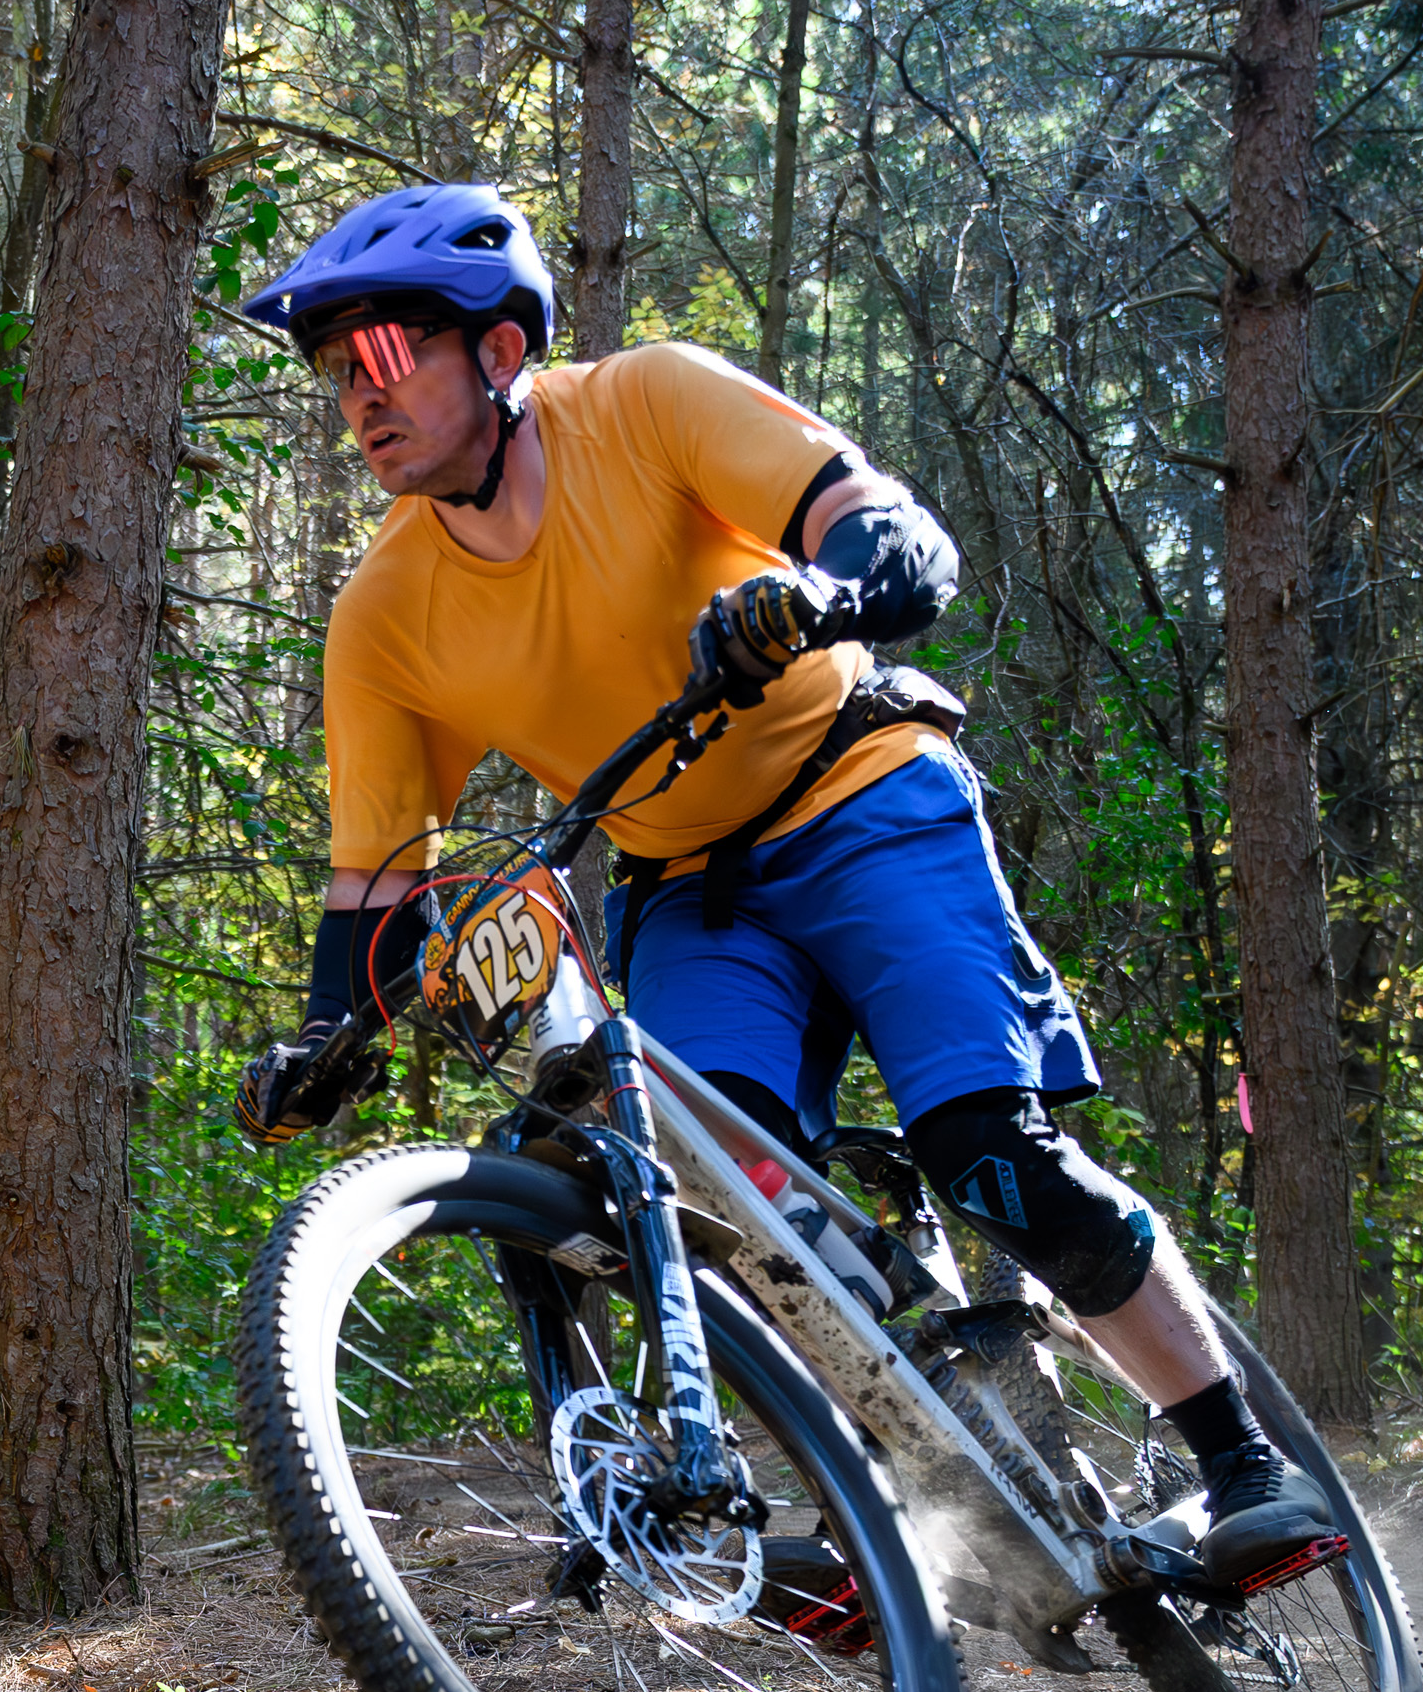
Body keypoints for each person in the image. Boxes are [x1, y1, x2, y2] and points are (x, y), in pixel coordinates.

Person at [227, 183, 1339, 1594]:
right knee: (703, 1197)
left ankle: (1243, 1460)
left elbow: (890, 533)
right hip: (690, 887)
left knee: (989, 1151)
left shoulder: (647, 403)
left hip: (864, 793)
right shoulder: (385, 613)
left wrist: (819, 594)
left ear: (500, 350)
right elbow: (378, 878)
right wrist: (327, 1038)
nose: (359, 397)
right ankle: (879, 1526)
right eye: (337, 372)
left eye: (386, 355)